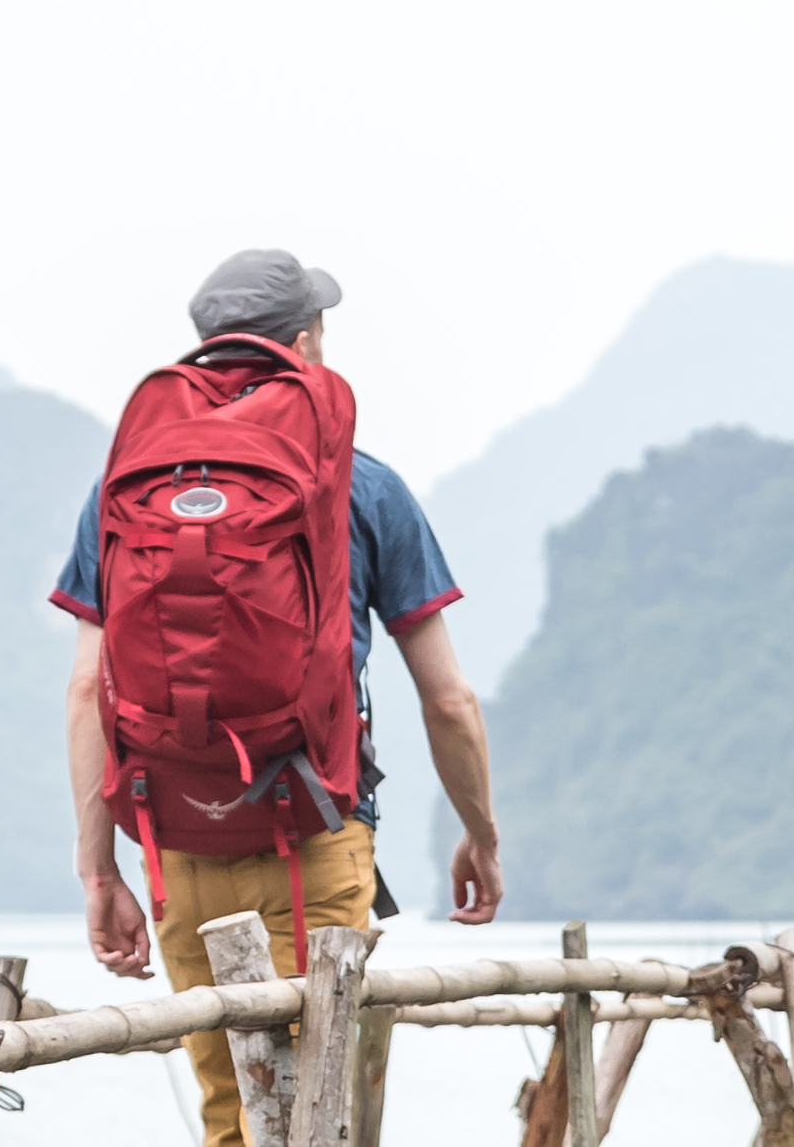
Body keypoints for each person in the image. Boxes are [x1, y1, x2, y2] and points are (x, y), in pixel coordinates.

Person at [53, 249, 503, 1147]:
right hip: (316, 830)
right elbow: (446, 700)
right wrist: (481, 833)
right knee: (316, 1113)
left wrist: (100, 868)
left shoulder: (126, 490)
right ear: (305, 345)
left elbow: (83, 692)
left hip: (175, 838)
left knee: (234, 1117)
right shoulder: (365, 485)